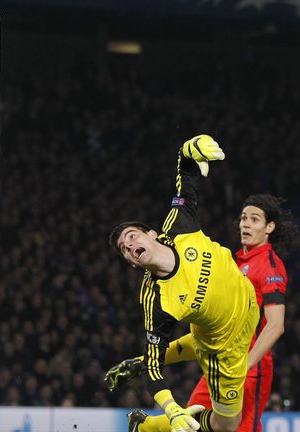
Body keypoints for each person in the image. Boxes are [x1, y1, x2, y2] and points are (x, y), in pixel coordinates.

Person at [106, 193, 297, 432]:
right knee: (191, 424)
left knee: (229, 428)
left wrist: (245, 365)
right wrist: (144, 362)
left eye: (255, 219)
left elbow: (275, 325)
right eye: (243, 218)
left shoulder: (269, 266)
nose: (246, 224)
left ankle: (147, 427)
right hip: (217, 360)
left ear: (270, 227)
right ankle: (144, 426)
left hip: (250, 366)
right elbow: (201, 341)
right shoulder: (233, 261)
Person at [108, 135, 260, 432]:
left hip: (250, 308)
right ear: (132, 263)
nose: (130, 245)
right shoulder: (157, 300)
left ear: (151, 234)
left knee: (202, 339)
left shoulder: (179, 226)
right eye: (125, 249)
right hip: (225, 352)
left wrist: (190, 150)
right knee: (227, 426)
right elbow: (155, 368)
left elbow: (187, 174)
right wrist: (175, 411)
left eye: (132, 236)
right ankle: (147, 427)